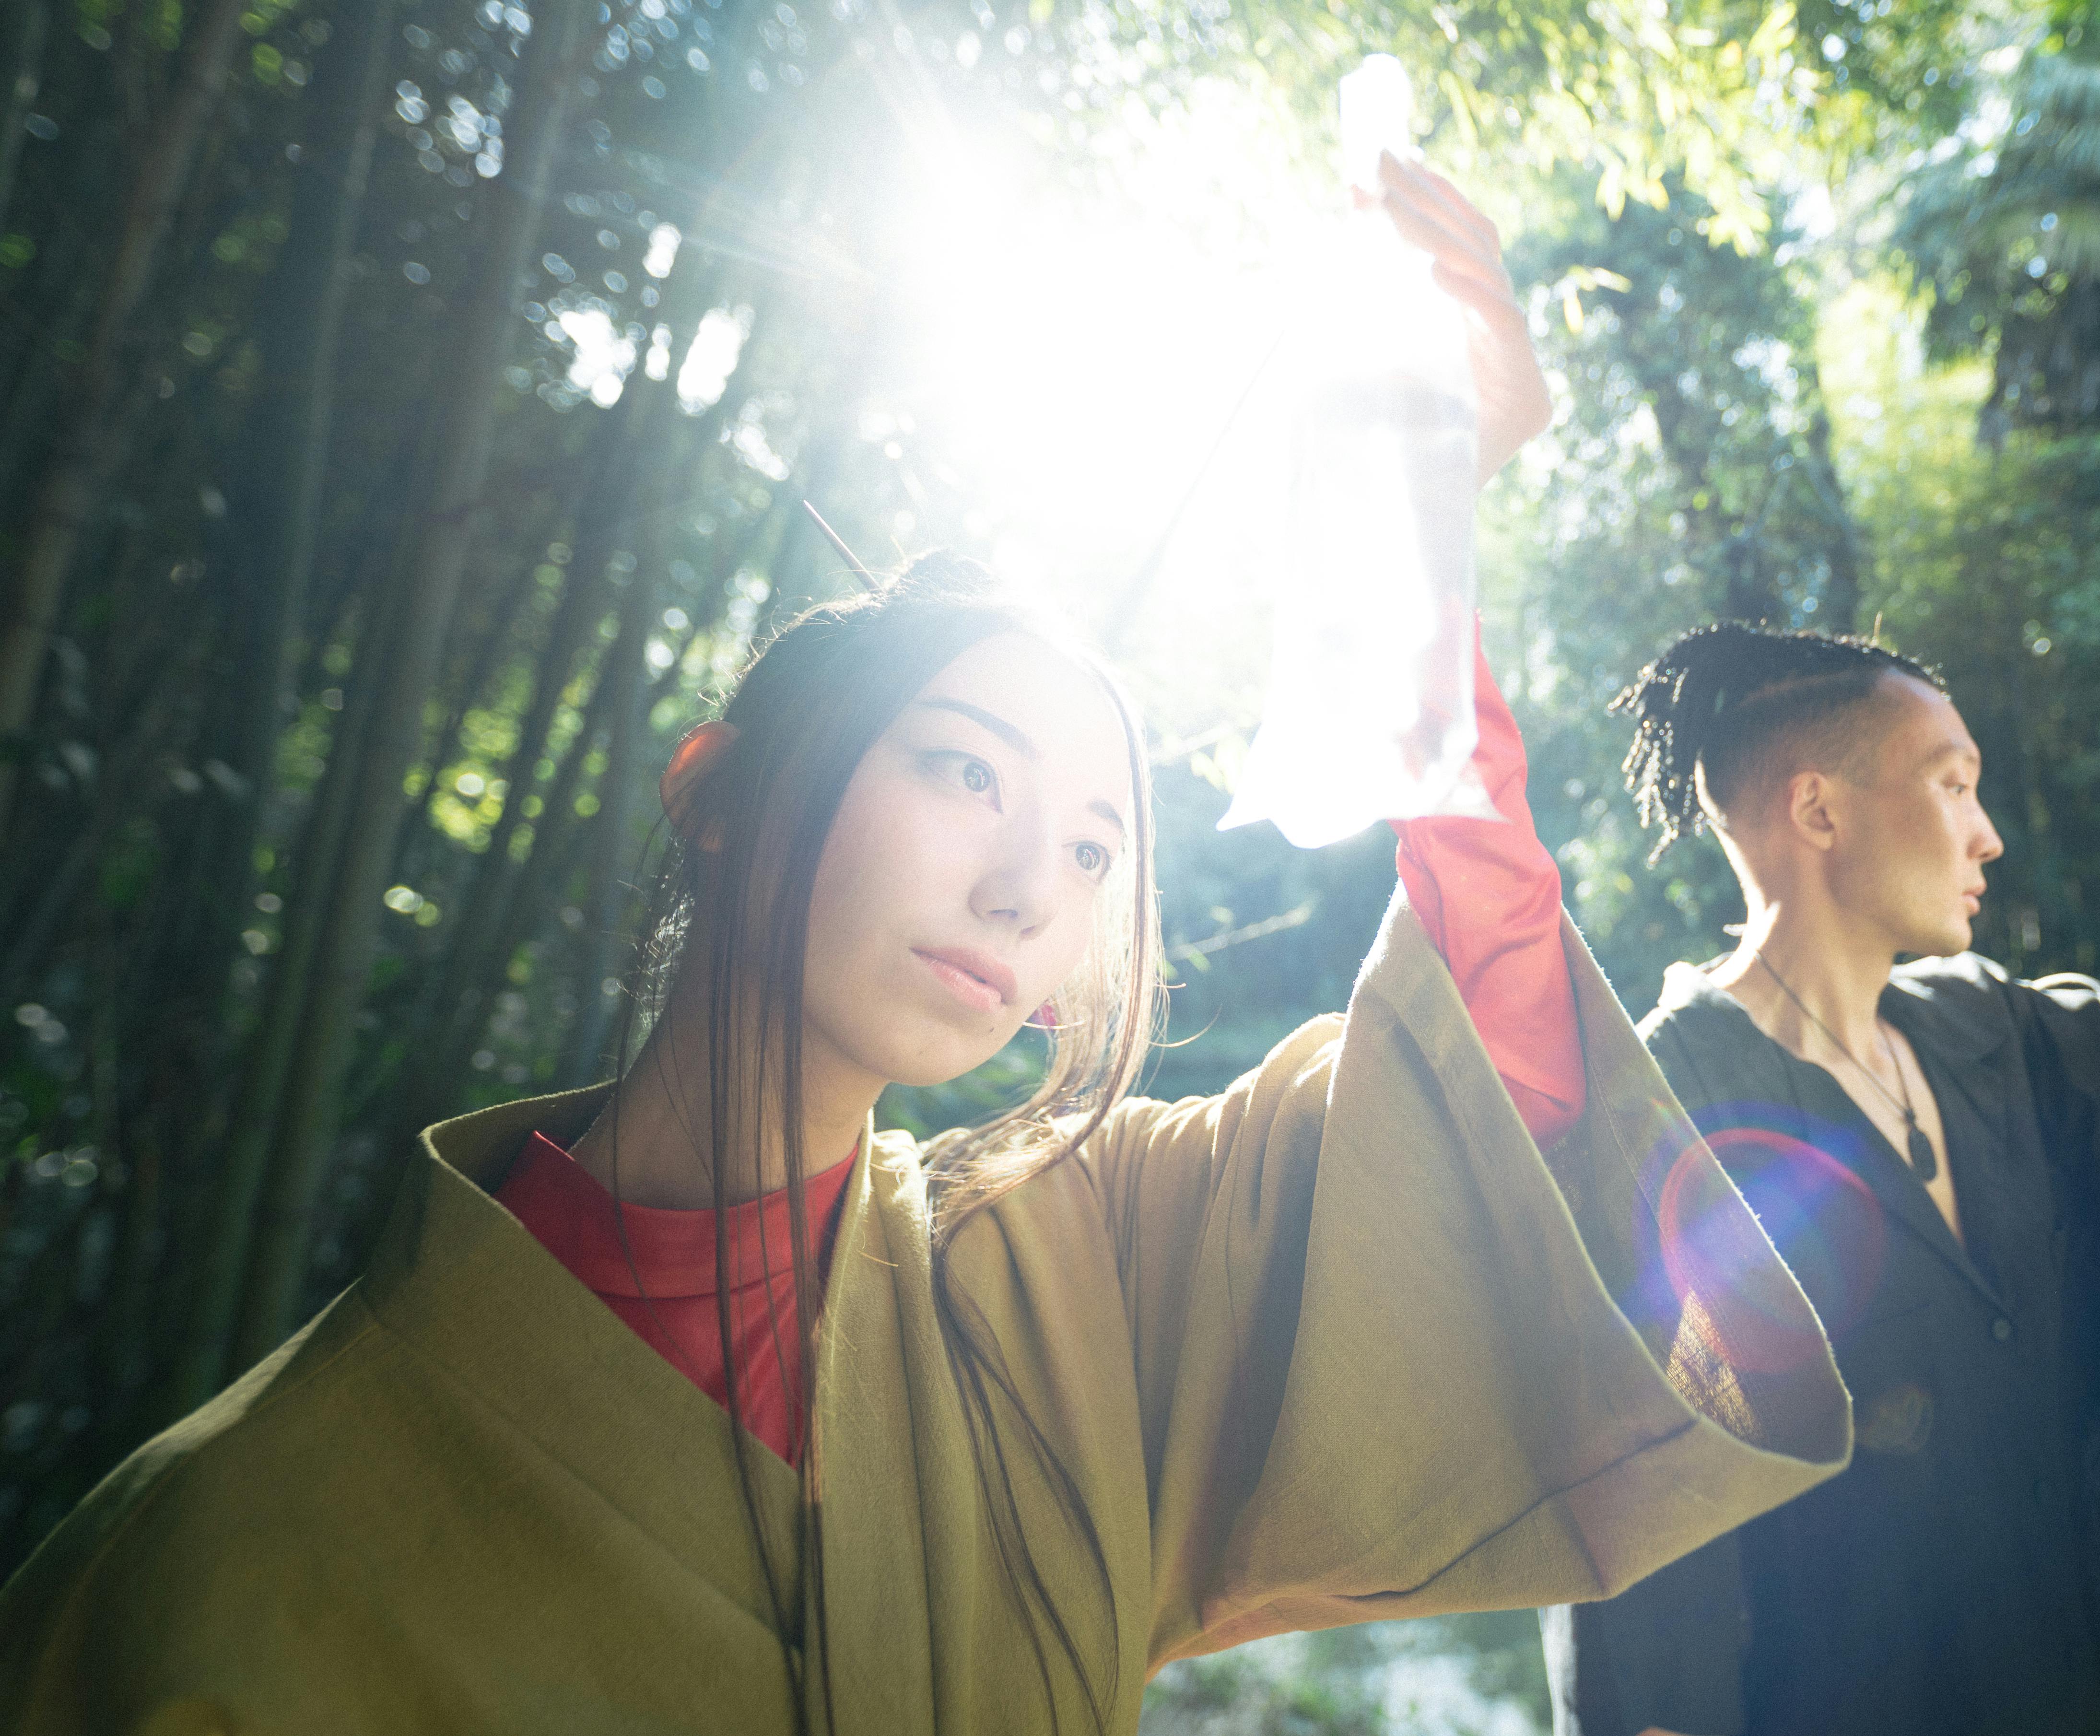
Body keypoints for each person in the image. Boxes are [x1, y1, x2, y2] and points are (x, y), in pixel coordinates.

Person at [0, 159, 1852, 1736]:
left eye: (1095, 848)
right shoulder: (218, 1545)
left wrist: (1421, 526)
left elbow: (1503, 1085)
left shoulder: (1074, 1269)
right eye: (965, 770)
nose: (1032, 886)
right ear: (717, 793)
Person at [1546, 561, 2100, 1736]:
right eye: (1953, 785)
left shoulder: (2001, 1033)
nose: (1988, 836)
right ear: (1820, 810)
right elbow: (1642, 1617)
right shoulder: (1661, 1117)